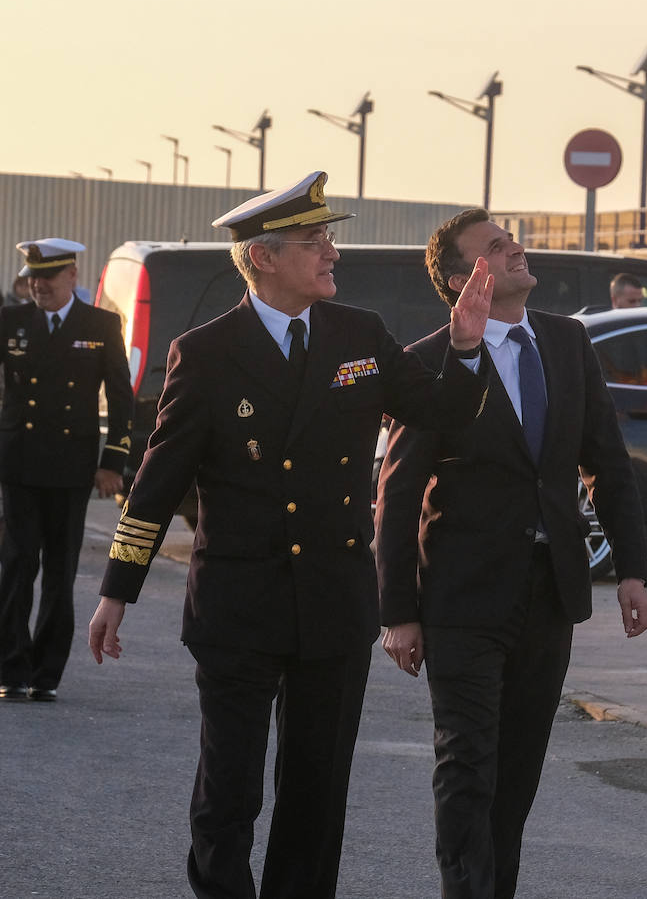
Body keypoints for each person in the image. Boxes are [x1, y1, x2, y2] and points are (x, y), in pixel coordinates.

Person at [87, 171, 496, 899]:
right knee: (231, 792)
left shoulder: (358, 333)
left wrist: (465, 347)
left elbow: (440, 412)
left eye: (329, 238)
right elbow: (156, 481)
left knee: (316, 796)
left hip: (334, 603)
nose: (333, 253)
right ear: (265, 259)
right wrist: (118, 589)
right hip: (240, 605)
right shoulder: (206, 353)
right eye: (316, 242)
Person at [375, 209, 647, 899]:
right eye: (494, 247)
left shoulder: (565, 342)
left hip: (548, 593)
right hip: (462, 600)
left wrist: (634, 571)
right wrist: (398, 612)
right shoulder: (427, 363)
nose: (514, 249)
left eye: (510, 239)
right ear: (458, 277)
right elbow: (398, 495)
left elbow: (607, 465)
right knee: (469, 763)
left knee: (519, 770)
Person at [0, 239, 131, 701]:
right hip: (17, 464)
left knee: (60, 569)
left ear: (71, 277)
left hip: (72, 469)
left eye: (48, 277)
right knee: (15, 565)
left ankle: (45, 673)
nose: (38, 285)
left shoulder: (100, 325)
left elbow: (120, 398)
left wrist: (112, 461)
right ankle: (10, 668)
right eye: (33, 277)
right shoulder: (10, 321)